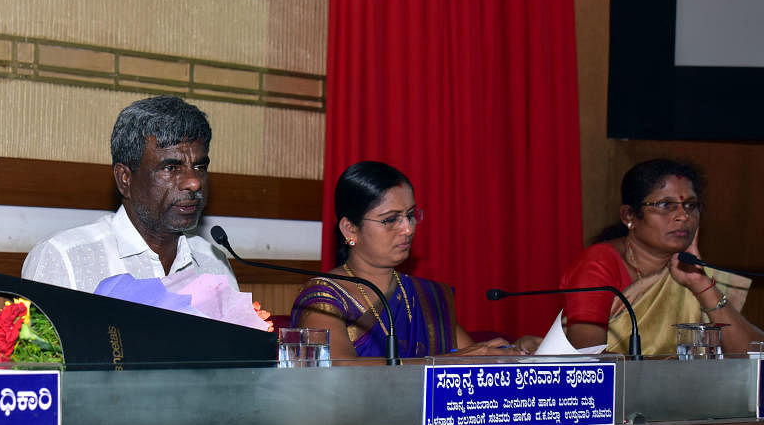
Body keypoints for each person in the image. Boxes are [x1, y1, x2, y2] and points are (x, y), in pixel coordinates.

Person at [291, 161, 533, 360]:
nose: (408, 229)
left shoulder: (423, 296)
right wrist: (443, 362)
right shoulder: (322, 298)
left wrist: (519, 350)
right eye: (390, 219)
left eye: (410, 215)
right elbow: (339, 373)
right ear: (350, 229)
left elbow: (473, 357)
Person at [22, 95, 237, 293]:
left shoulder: (213, 263)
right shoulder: (65, 258)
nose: (193, 183)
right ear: (125, 178)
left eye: (199, 167)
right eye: (170, 168)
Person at [561, 158, 760, 355]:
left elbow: (753, 356)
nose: (683, 216)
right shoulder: (599, 262)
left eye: (691, 205)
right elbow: (588, 358)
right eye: (666, 204)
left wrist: (700, 284)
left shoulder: (693, 270)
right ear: (629, 216)